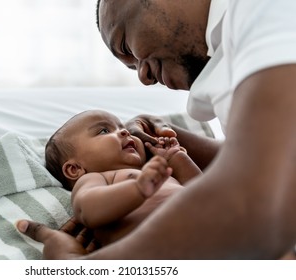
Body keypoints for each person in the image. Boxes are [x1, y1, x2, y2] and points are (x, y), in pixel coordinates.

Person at [17, 0, 296, 259]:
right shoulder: (239, 43)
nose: (144, 77)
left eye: (126, 46)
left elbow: (256, 206)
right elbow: (263, 161)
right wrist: (162, 134)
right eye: (104, 132)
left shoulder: (265, 9)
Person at [41, 109, 201, 247]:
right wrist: (137, 188)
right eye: (104, 131)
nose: (125, 132)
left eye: (124, 128)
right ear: (75, 169)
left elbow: (202, 190)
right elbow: (87, 209)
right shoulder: (97, 179)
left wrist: (176, 157)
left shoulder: (158, 171)